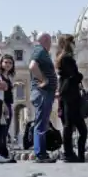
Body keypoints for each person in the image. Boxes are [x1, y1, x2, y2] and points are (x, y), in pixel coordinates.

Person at [56, 34, 88, 163]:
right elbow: (73, 76)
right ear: (68, 43)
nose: (75, 44)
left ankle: (78, 155)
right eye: (72, 42)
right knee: (70, 126)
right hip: (71, 95)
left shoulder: (62, 58)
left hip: (68, 95)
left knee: (78, 128)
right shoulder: (67, 58)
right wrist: (79, 76)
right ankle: (69, 153)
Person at [29, 33, 57, 163]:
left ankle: (41, 152)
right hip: (42, 92)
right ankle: (40, 154)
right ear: (46, 40)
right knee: (41, 123)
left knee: (42, 122)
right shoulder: (39, 50)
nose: (51, 45)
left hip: (45, 92)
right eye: (50, 41)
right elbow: (32, 66)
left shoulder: (41, 51)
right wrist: (44, 79)